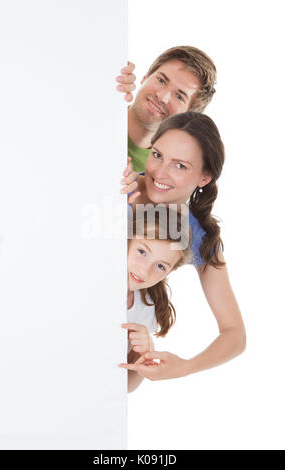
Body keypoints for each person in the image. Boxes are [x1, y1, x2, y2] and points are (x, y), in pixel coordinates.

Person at [119, 111, 246, 382]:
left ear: (204, 177)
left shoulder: (197, 235)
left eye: (180, 166)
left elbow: (235, 334)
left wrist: (183, 367)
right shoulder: (119, 185)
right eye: (157, 155)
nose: (160, 172)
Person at [116, 46, 217, 172]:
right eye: (161, 80)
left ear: (187, 115)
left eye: (179, 96)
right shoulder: (97, 114)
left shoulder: (163, 178)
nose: (162, 97)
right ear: (145, 77)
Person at [123, 206, 191, 392]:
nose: (144, 270)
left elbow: (126, 386)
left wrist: (143, 352)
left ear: (171, 271)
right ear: (127, 239)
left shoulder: (146, 309)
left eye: (160, 266)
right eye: (142, 252)